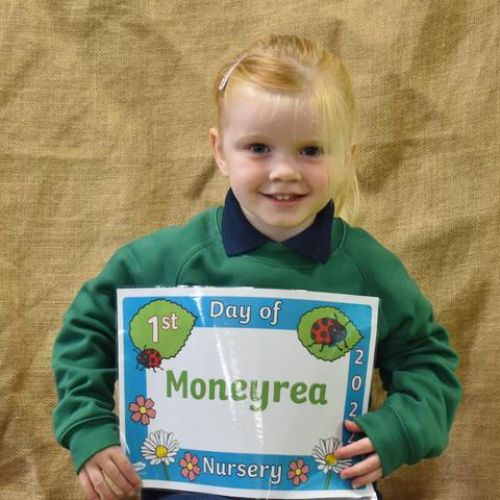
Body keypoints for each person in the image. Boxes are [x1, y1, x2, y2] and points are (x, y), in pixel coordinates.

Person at [52, 34, 461, 500]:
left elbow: (427, 361)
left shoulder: (369, 269)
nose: (284, 171)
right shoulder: (167, 260)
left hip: (324, 490)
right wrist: (88, 426)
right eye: (259, 148)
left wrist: (400, 430)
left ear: (348, 157)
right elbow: (86, 333)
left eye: (310, 150)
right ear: (220, 151)